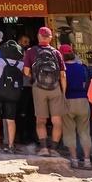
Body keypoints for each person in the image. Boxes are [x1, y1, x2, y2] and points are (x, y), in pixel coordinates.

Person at [24, 26, 67, 155]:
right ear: (50, 38)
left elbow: (26, 71)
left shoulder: (31, 51)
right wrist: (63, 91)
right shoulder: (56, 53)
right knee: (57, 121)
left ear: (38, 36)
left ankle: (43, 148)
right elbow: (63, 75)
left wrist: (35, 78)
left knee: (40, 120)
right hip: (55, 88)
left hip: (38, 88)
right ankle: (53, 149)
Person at [0, 41, 27, 153]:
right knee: (11, 120)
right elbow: (25, 75)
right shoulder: (21, 64)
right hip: (13, 93)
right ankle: (10, 145)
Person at [60, 44, 92, 167]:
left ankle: (74, 159)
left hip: (68, 99)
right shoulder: (82, 67)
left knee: (69, 131)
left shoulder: (63, 69)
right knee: (84, 131)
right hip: (83, 99)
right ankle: (87, 160)